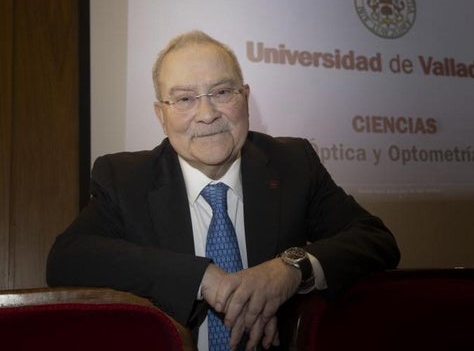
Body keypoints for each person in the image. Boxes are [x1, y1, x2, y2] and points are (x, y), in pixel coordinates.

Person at [47, 30, 400, 351]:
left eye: (222, 92)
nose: (207, 113)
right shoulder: (124, 177)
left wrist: (290, 269)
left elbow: (375, 239)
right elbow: (67, 259)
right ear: (161, 115)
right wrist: (200, 278)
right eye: (184, 99)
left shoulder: (293, 163)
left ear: (244, 98)